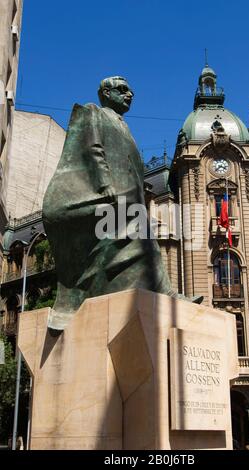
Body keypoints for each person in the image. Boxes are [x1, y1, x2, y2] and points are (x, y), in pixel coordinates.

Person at [43, 76, 202, 330]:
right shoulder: (92, 113)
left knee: (147, 245)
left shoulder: (125, 127)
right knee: (142, 244)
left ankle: (163, 293)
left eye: (131, 92)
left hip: (127, 200)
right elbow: (91, 150)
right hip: (103, 196)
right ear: (105, 93)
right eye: (122, 90)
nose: (129, 95)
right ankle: (77, 304)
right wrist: (104, 184)